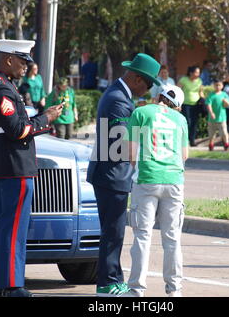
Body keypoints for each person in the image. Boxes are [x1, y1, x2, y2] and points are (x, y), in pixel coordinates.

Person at [0, 39, 63, 297]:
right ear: (8, 60)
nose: (27, 66)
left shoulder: (4, 85)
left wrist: (40, 118)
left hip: (10, 163)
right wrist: (46, 118)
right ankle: (12, 285)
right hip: (13, 165)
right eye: (23, 61)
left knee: (6, 227)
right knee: (13, 227)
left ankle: (3, 284)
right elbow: (18, 130)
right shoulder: (0, 88)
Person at [87, 53, 161, 297]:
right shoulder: (119, 100)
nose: (147, 91)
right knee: (113, 231)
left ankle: (114, 278)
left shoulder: (118, 95)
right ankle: (107, 283)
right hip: (112, 174)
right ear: (138, 79)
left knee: (114, 231)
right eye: (148, 85)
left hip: (112, 174)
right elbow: (122, 143)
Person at [126, 85, 188, 298]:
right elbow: (185, 155)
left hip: (147, 178)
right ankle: (174, 290)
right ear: (177, 105)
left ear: (159, 96)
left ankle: (136, 291)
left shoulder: (141, 112)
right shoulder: (180, 120)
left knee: (143, 236)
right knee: (172, 239)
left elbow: (131, 154)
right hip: (174, 181)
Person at [177, 65, 204, 146]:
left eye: (199, 73)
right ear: (191, 73)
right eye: (196, 72)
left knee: (194, 123)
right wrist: (178, 104)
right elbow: (177, 91)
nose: (198, 74)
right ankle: (184, 140)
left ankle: (192, 141)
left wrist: (204, 101)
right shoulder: (183, 80)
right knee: (187, 122)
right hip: (185, 105)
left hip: (196, 105)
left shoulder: (199, 81)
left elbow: (201, 92)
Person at [206, 80, 229, 151]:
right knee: (211, 134)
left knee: (224, 133)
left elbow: (228, 104)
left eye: (219, 85)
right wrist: (211, 113)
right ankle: (211, 145)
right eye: (216, 85)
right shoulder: (211, 95)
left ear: (222, 86)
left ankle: (226, 145)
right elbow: (208, 104)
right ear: (214, 86)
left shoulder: (224, 95)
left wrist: (226, 101)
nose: (218, 87)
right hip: (212, 119)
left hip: (222, 118)